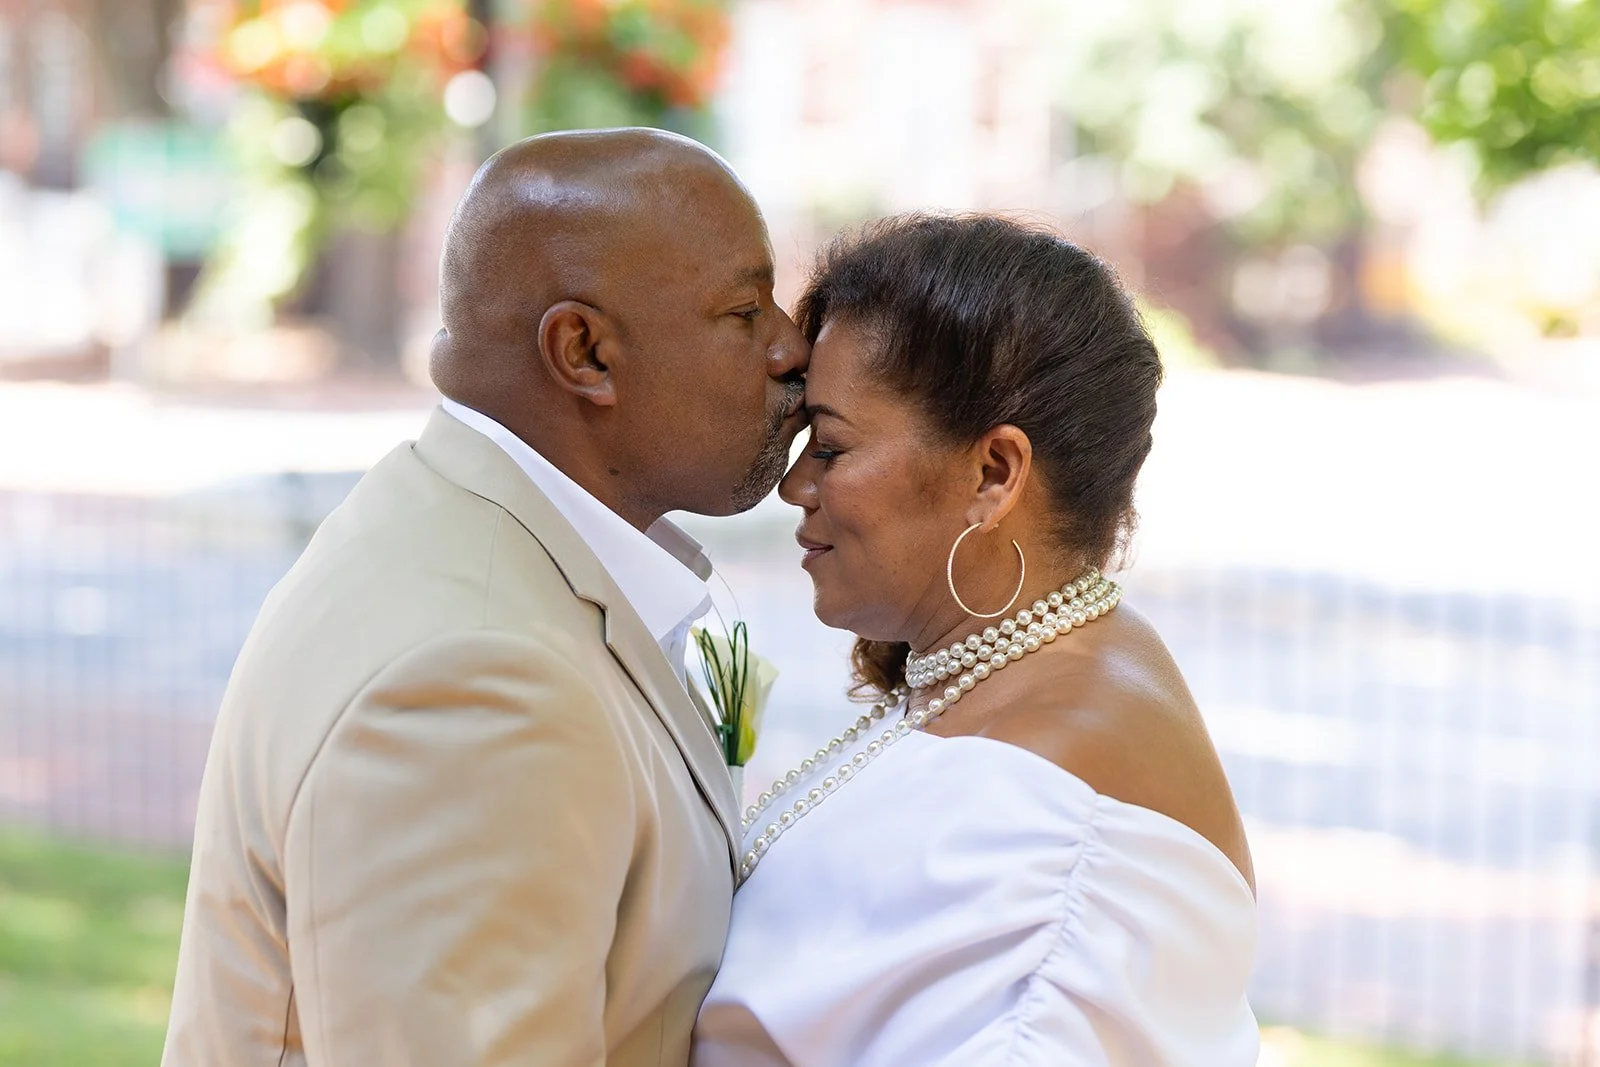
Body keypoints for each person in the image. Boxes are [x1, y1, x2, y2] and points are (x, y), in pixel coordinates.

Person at [162, 128, 809, 1067]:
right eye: (746, 309)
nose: (793, 347)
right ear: (584, 351)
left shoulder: (470, 533)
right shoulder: (479, 677)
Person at [692, 213, 1259, 1066]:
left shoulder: (1042, 793)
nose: (796, 484)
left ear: (993, 474)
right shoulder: (1045, 664)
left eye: (833, 444)